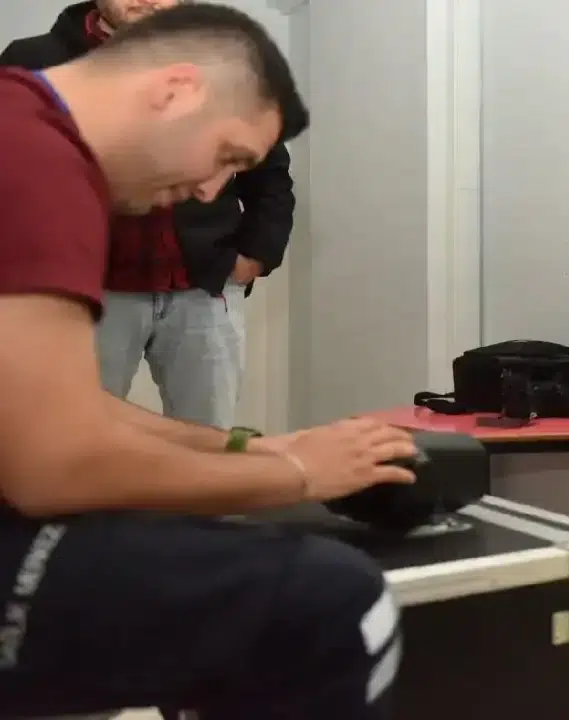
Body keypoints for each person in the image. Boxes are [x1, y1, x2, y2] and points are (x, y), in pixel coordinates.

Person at [0, 5, 415, 718]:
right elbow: (54, 467)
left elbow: (69, 410)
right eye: (228, 155)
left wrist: (256, 447)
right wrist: (297, 476)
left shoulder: (20, 121)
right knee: (339, 605)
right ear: (177, 91)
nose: (208, 190)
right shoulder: (36, 160)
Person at [1, 0, 298, 430]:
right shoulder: (31, 66)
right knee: (76, 433)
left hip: (204, 288)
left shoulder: (227, 66)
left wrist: (255, 255)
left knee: (204, 436)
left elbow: (270, 176)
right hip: (91, 292)